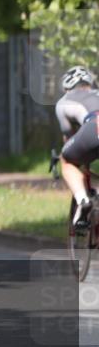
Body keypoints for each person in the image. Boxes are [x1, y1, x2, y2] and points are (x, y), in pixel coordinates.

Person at [55, 65, 99, 227]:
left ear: (67, 87)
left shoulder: (64, 101)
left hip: (95, 126)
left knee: (66, 159)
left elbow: (68, 135)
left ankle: (83, 201)